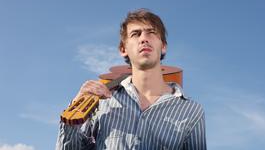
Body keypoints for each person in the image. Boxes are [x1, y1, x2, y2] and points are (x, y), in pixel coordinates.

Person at [56, 9, 207, 150]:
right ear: (123, 49)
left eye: (151, 32)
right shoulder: (100, 100)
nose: (144, 39)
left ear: (163, 46)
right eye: (136, 34)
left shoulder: (193, 111)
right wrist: (74, 112)